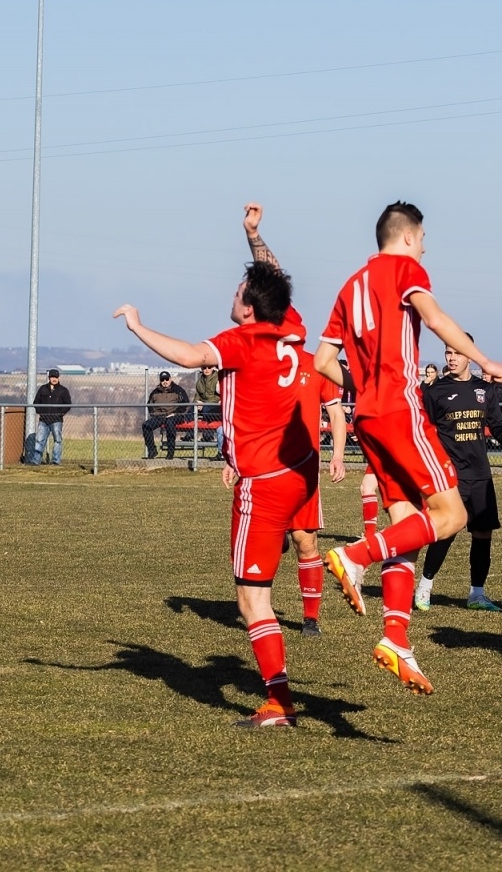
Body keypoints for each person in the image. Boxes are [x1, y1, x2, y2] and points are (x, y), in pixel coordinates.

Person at [115, 253, 324, 727]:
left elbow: (190, 355)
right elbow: (274, 280)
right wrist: (254, 239)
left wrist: (136, 326)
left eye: (237, 293)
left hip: (264, 484)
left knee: (252, 598)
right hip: (298, 474)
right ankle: (318, 570)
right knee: (279, 568)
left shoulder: (244, 339)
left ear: (250, 307)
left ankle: (279, 703)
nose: (231, 297)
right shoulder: (290, 329)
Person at [315, 200, 502, 696]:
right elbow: (437, 318)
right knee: (453, 516)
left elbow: (322, 362)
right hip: (401, 410)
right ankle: (355, 556)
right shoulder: (405, 268)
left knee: (408, 526)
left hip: (368, 417)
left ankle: (396, 638)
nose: (424, 247)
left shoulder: (348, 286)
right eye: (422, 238)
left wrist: (362, 387)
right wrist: (484, 358)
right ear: (407, 235)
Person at [239, 202, 347, 638]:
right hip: (260, 464)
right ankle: (259, 602)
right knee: (263, 546)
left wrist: (253, 235)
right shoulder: (248, 347)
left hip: (301, 467)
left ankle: (310, 620)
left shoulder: (308, 358)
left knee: (306, 540)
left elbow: (273, 276)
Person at [417, 339, 502, 612]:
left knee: (483, 533)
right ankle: (424, 588)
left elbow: (497, 424)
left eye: (457, 353)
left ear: (469, 357)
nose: (451, 358)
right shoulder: (434, 391)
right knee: (447, 530)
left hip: (480, 475)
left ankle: (477, 594)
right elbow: (421, 432)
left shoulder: (484, 389)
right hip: (450, 476)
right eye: (448, 353)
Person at [141, 371, 189, 459]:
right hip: (160, 416)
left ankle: (170, 452)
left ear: (170, 379)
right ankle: (152, 451)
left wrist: (175, 413)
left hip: (175, 415)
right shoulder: (155, 392)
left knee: (170, 424)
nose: (165, 381)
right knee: (146, 426)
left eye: (167, 379)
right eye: (162, 380)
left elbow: (185, 403)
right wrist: (155, 414)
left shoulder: (178, 390)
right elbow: (150, 405)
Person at [32, 369, 72, 465]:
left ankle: (56, 461)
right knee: (40, 440)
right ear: (49, 378)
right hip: (44, 420)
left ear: (58, 378)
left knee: (57, 440)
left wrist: (60, 414)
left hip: (56, 420)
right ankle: (36, 460)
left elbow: (68, 404)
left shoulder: (63, 390)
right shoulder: (43, 389)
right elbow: (36, 402)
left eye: (56, 377)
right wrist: (41, 412)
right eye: (52, 377)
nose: (54, 379)